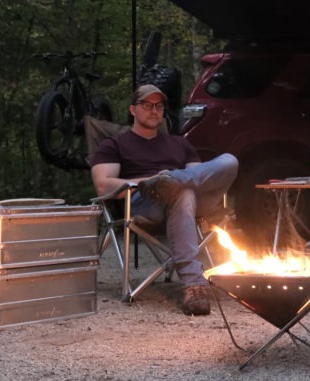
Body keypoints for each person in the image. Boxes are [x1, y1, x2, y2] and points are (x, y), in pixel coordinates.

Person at [90, 84, 238, 316]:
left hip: (187, 203)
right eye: (146, 105)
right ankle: (193, 285)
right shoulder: (115, 145)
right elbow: (103, 184)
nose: (154, 110)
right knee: (183, 192)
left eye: (158, 106)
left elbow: (201, 178)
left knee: (229, 160)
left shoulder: (180, 143)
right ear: (132, 109)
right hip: (145, 203)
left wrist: (173, 179)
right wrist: (150, 180)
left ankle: (172, 179)